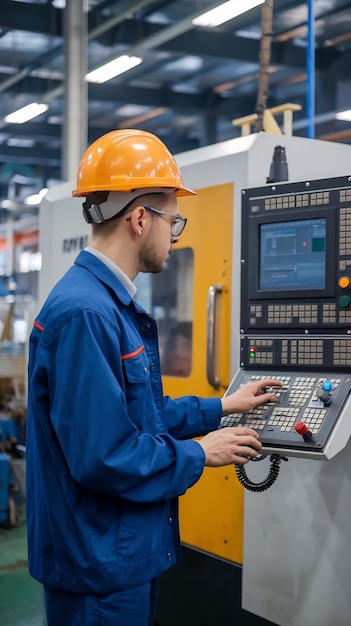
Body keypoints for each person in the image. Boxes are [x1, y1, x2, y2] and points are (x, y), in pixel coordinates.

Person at [26, 129, 281, 626]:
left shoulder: (105, 306)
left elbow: (133, 416)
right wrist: (201, 452)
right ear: (140, 219)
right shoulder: (88, 315)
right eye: (173, 219)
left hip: (113, 556)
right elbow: (105, 455)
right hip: (98, 570)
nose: (177, 234)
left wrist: (223, 406)